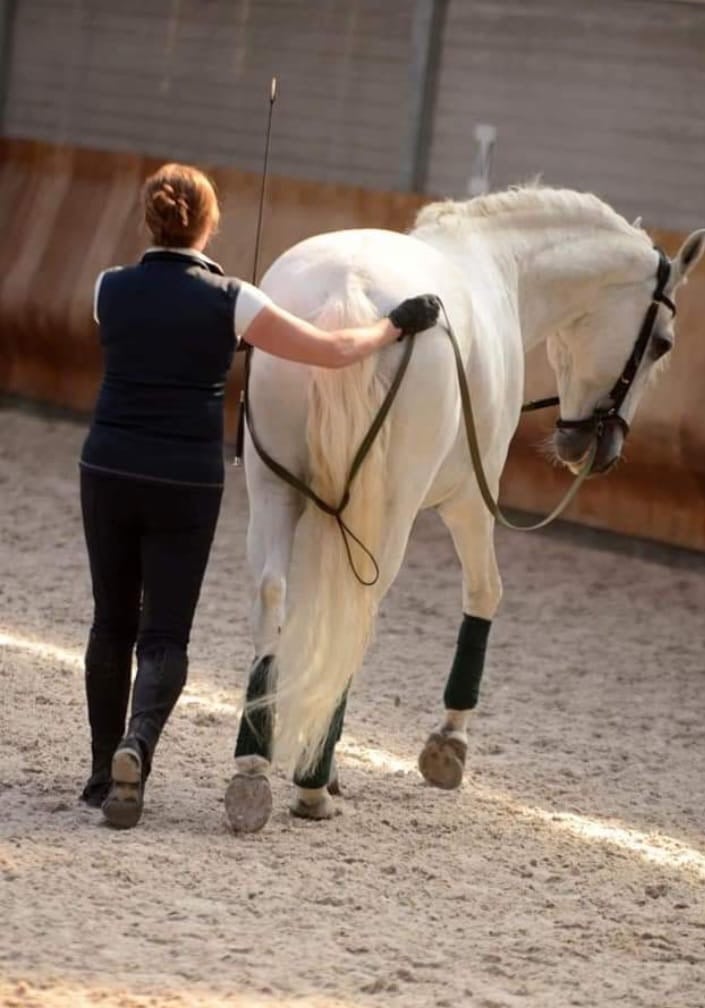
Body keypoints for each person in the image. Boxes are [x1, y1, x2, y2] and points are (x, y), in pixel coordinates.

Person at [78, 162, 441, 830]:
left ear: (148, 219)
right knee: (163, 634)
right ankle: (138, 746)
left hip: (106, 466)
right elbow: (333, 351)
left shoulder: (109, 288)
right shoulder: (231, 299)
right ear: (211, 222)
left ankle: (106, 774)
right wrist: (393, 325)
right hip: (185, 477)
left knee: (110, 623)